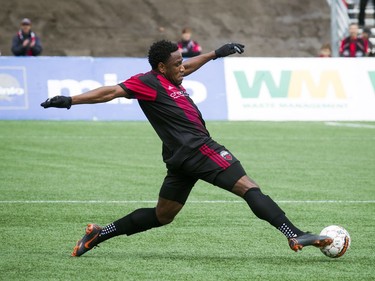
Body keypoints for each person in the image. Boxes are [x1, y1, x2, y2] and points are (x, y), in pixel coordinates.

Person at [41, 40, 332, 257]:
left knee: (162, 216)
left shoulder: (172, 75)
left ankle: (97, 235)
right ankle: (294, 234)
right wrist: (70, 100)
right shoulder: (146, 83)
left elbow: (191, 65)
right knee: (249, 188)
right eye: (178, 63)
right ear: (161, 67)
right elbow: (110, 92)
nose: (184, 66)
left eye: (183, 61)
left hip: (180, 159)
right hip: (198, 149)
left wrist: (217, 53)